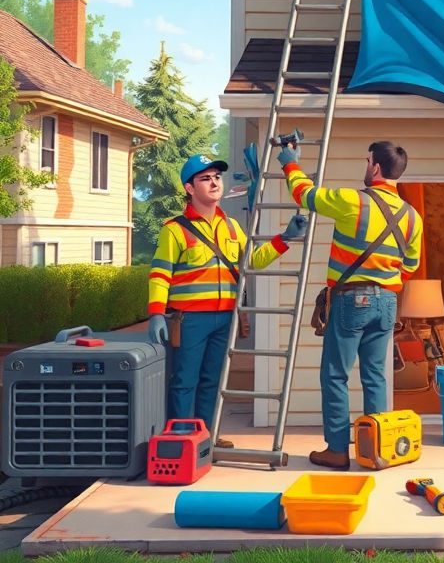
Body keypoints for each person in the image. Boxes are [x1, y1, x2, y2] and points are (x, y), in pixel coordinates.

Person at [277, 140, 423, 470]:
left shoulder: (351, 201)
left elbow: (305, 194)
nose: (365, 166)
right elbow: (410, 266)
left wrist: (290, 162)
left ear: (375, 168)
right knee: (375, 378)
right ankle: (376, 451)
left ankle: (338, 450)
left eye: (367, 160)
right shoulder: (413, 217)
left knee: (335, 375)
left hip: (351, 300)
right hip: (387, 302)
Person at [148, 154, 308, 444]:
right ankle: (183, 440)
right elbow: (160, 274)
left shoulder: (233, 227)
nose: (214, 183)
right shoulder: (174, 229)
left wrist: (285, 237)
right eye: (205, 178)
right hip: (190, 319)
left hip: (225, 318)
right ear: (189, 188)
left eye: (217, 177)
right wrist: (157, 312)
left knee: (213, 381)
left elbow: (254, 261)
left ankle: (206, 437)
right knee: (185, 381)